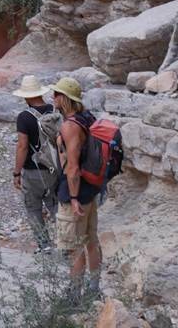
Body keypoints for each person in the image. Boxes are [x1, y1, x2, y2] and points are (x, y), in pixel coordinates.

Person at [50, 76, 102, 298]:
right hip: (90, 190)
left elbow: (72, 168)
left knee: (74, 246)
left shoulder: (70, 126)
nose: (52, 98)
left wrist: (72, 198)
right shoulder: (87, 118)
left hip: (76, 193)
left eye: (56, 95)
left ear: (64, 98)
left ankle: (74, 296)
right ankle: (93, 288)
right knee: (91, 239)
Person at [12, 75, 60, 252]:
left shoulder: (24, 117)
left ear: (25, 96)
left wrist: (17, 172)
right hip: (54, 167)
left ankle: (44, 246)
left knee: (33, 208)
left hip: (33, 170)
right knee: (55, 204)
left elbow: (22, 146)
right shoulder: (55, 111)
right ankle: (67, 242)